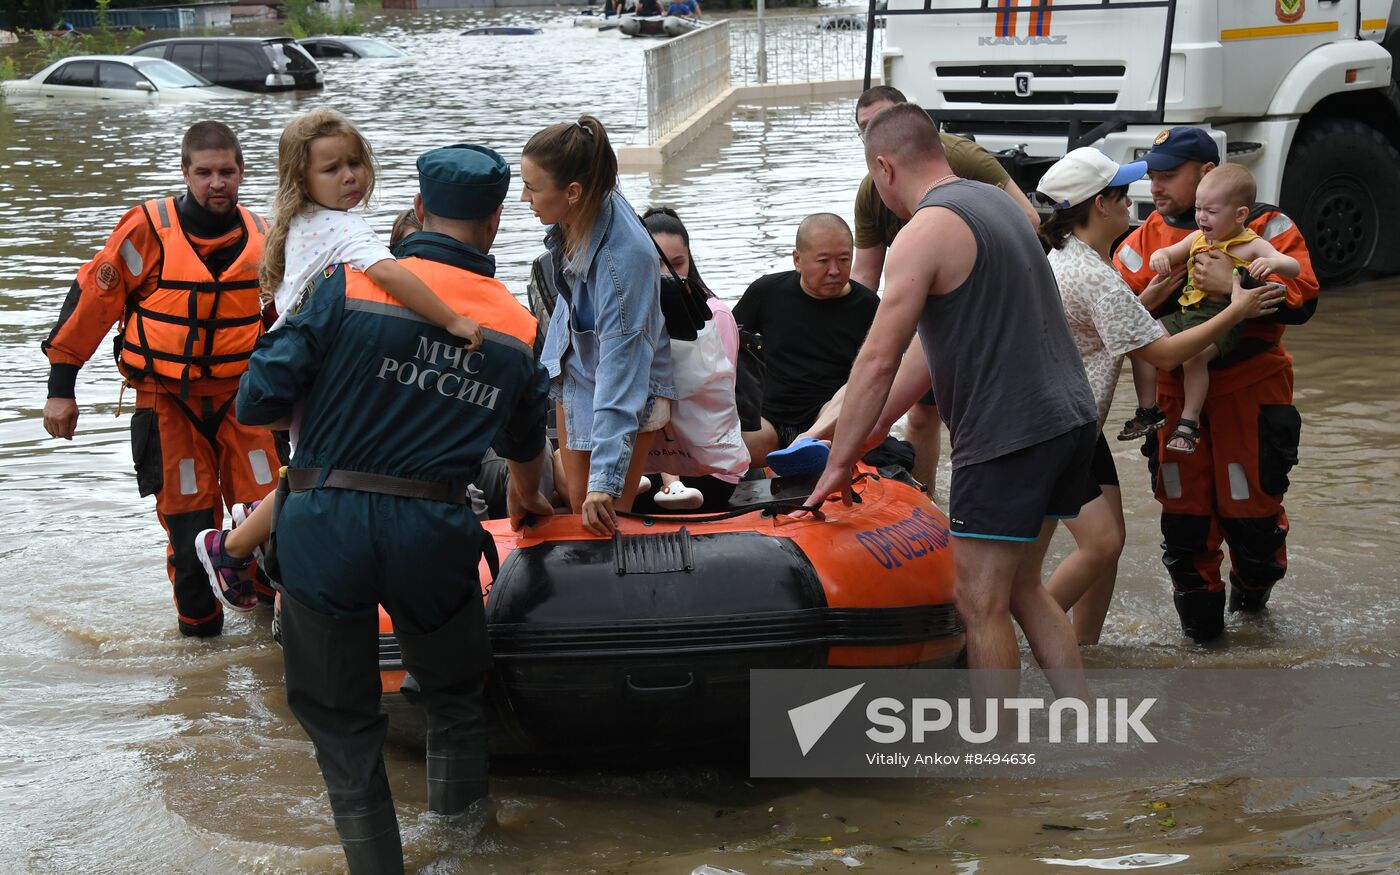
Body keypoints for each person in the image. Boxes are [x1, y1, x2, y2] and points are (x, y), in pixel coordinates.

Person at [237, 144, 553, 874]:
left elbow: (257, 400)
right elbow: (523, 446)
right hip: (433, 530)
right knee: (454, 698)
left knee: (345, 728)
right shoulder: (517, 325)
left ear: (417, 207)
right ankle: (465, 847)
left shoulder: (344, 283)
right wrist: (530, 502)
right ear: (497, 218)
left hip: (324, 521)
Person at [804, 103, 1096, 695]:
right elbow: (926, 351)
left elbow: (879, 355)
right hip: (1070, 420)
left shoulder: (923, 232)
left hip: (1009, 435)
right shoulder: (998, 204)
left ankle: (997, 770)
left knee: (977, 601)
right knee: (1021, 589)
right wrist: (852, 427)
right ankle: (1086, 722)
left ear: (884, 169)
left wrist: (838, 465)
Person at [193, 108, 483, 613]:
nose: (350, 176)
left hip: (293, 366)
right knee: (312, 473)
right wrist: (452, 320)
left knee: (310, 467)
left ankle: (245, 529)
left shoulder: (302, 221)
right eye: (332, 168)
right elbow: (389, 274)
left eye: (355, 163)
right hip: (313, 372)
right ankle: (230, 546)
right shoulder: (341, 229)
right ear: (301, 178)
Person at [40, 121, 282, 638]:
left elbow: (288, 320)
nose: (217, 183)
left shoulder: (264, 237)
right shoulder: (147, 230)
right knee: (191, 527)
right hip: (168, 400)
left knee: (272, 518)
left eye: (226, 172)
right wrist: (61, 390)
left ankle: (272, 635)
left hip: (245, 400)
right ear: (185, 173)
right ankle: (200, 653)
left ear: (242, 173)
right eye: (205, 172)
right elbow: (92, 302)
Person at [1035, 148, 1285, 644]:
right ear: (1100, 205)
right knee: (1099, 545)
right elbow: (1166, 355)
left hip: (1074, 423)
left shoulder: (1068, 257)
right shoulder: (1098, 278)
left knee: (1100, 545)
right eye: (1123, 192)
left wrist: (1142, 298)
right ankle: (1028, 637)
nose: (1136, 199)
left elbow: (1109, 323)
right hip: (1060, 427)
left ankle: (1083, 650)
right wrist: (1237, 308)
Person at [1114, 127, 1318, 642]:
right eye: (1151, 176)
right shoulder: (1147, 238)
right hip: (1174, 390)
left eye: (1166, 176)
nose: (1155, 187)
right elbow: (1115, 312)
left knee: (1253, 519)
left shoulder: (1268, 226)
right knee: (1183, 522)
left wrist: (1234, 280)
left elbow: (1303, 299)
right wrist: (1169, 285)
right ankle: (1202, 639)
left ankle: (1254, 614)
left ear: (1206, 173)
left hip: (1251, 389)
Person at [847, 85, 1041, 492]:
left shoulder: (962, 159)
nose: (873, 134)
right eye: (864, 129)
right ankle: (927, 502)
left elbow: (1027, 220)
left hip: (980, 309)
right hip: (924, 314)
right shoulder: (872, 189)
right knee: (919, 414)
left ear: (909, 119)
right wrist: (856, 348)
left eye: (881, 122)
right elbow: (865, 277)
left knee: (974, 414)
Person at [522, 115, 676, 536]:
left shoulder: (622, 264)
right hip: (576, 367)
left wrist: (606, 481)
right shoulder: (588, 201)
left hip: (623, 384)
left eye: (532, 188)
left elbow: (622, 381)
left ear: (572, 192)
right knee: (577, 504)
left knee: (605, 517)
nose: (523, 198)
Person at [1139, 164, 1299, 454]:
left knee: (1194, 357)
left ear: (1239, 215)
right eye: (1198, 209)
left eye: (1210, 211)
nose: (1201, 217)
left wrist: (1273, 263)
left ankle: (1189, 422)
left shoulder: (1251, 244)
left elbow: (1294, 266)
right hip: (1188, 313)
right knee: (1142, 340)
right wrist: (1160, 258)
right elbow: (1167, 253)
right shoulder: (1197, 238)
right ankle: (1147, 410)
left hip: (1222, 319)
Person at [732, 213, 879, 474]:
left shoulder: (868, 306)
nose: (834, 270)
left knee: (858, 392)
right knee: (736, 435)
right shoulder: (766, 292)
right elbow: (727, 346)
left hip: (828, 418)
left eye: (844, 259)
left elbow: (881, 373)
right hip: (769, 422)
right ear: (797, 260)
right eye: (823, 261)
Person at [637, 206, 742, 511]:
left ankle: (671, 483)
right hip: (645, 464)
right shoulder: (626, 319)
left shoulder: (714, 316)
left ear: (689, 260)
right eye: (655, 265)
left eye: (677, 264)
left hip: (705, 466)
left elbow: (718, 401)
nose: (668, 275)